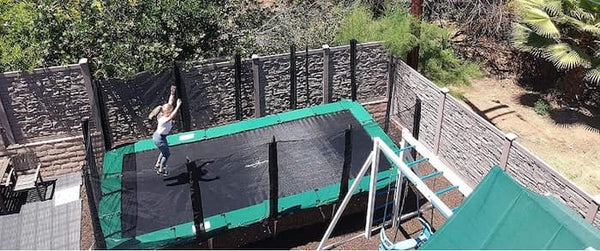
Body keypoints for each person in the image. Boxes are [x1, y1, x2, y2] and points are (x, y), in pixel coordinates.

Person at [148, 86, 181, 176]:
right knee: (167, 154)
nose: (171, 112)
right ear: (167, 112)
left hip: (159, 136)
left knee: (164, 151)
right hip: (159, 138)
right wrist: (178, 106)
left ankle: (158, 163)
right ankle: (161, 168)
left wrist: (172, 93)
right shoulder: (164, 119)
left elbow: (170, 102)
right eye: (170, 111)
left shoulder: (162, 112)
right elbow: (172, 116)